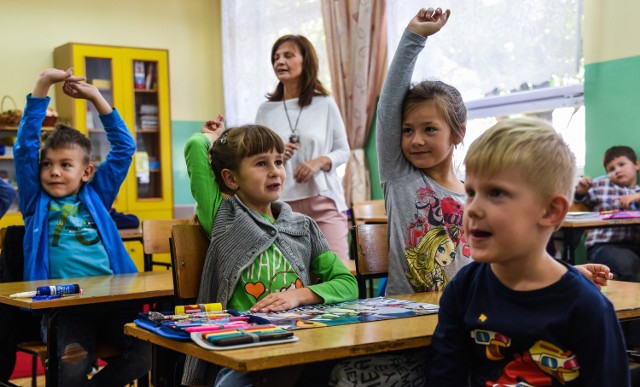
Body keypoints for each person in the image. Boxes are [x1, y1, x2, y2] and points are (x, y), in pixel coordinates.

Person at [329, 7, 613, 386]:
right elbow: (387, 108)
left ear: (457, 133)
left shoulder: (476, 197)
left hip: (472, 324)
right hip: (409, 325)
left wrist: (565, 275)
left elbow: (502, 265)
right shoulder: (401, 178)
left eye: (429, 129)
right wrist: (413, 36)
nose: (415, 139)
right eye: (408, 130)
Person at [428, 117, 630, 386]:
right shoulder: (463, 290)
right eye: (471, 192)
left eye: (496, 193)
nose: (473, 208)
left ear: (550, 211)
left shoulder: (588, 307)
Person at [181, 123, 358, 386]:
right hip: (243, 348)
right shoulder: (224, 217)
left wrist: (298, 296)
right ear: (231, 179)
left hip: (299, 344)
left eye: (278, 161)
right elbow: (195, 147)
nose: (275, 171)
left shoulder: (303, 226)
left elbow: (348, 284)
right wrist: (214, 138)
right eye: (261, 164)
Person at [9, 68, 150, 386]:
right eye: (47, 164)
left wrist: (96, 97)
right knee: (73, 366)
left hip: (112, 302)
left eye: (65, 165)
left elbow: (125, 148)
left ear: (87, 172)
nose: (54, 172)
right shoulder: (36, 202)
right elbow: (25, 148)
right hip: (65, 309)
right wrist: (44, 82)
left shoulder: (97, 195)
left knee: (148, 353)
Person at [254, 34, 351, 263]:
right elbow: (254, 158)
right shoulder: (265, 110)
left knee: (337, 274)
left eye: (288, 55)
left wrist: (318, 162)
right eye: (276, 57)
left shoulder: (325, 103)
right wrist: (275, 156)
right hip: (279, 205)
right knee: (292, 278)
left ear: (305, 61)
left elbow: (343, 150)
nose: (280, 61)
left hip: (323, 200)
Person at [574, 145, 640, 282]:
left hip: (635, 244)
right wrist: (580, 191)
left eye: (622, 164)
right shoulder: (601, 187)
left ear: (636, 165)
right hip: (604, 245)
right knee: (630, 265)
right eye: (611, 169)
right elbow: (578, 201)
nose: (617, 170)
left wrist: (636, 197)